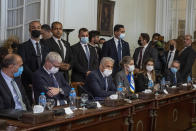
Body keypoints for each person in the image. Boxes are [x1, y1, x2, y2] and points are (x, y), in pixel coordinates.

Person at [18, 21, 49, 104]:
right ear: (29, 30)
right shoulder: (22, 46)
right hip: (28, 83)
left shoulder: (45, 46)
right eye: (33, 27)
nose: (36, 29)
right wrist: (35, 77)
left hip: (44, 82)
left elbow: (47, 63)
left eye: (38, 27)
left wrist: (41, 78)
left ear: (41, 30)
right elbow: (23, 64)